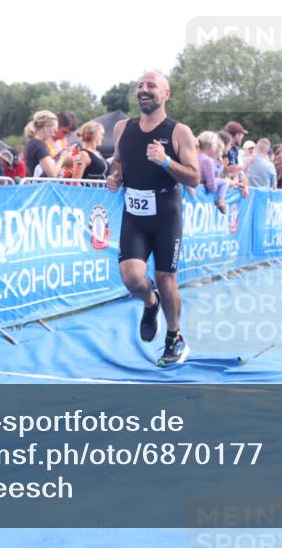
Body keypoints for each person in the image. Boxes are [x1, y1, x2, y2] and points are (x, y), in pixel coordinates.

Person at [106, 71, 200, 366]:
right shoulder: (123, 128)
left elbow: (195, 177)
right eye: (140, 86)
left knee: (166, 279)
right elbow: (118, 162)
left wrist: (166, 160)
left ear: (166, 94)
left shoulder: (179, 132)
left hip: (165, 214)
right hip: (134, 213)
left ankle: (175, 337)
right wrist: (115, 176)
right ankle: (150, 302)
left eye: (151, 86)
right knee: (131, 277)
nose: (143, 90)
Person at [24, 110, 71, 178]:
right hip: (41, 187)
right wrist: (62, 158)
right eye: (54, 130)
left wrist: (57, 157)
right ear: (46, 127)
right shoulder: (39, 145)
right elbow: (53, 175)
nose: (54, 133)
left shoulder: (32, 142)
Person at [196, 131, 230, 213]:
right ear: (211, 145)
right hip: (200, 197)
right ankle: (221, 201)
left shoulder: (194, 155)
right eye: (215, 144)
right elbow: (211, 186)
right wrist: (216, 188)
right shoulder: (207, 160)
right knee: (225, 182)